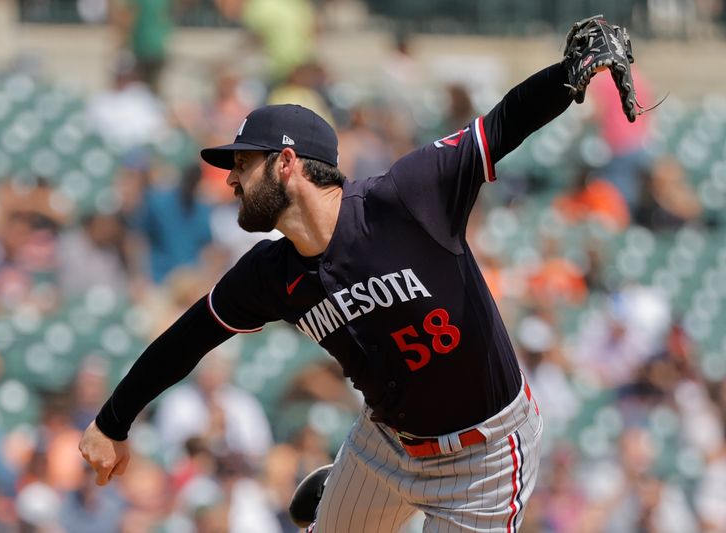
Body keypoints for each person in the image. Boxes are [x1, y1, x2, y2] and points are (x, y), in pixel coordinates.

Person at [80, 20, 631, 530]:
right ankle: (340, 493)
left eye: (243, 163)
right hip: (385, 444)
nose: (231, 179)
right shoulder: (270, 273)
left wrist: (568, 78)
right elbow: (188, 338)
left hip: (481, 459)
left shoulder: (406, 198)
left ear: (287, 162)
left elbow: (502, 125)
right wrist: (112, 421)